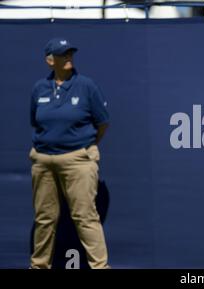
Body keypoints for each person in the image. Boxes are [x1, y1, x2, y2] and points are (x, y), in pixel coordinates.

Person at [29, 38, 110, 269]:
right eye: (62, 54)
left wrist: (86, 147)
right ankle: (39, 266)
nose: (68, 58)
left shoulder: (86, 86)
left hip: (77, 160)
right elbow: (36, 122)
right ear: (49, 60)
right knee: (44, 219)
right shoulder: (39, 89)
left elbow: (102, 123)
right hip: (44, 161)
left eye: (70, 54)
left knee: (85, 218)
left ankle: (100, 267)